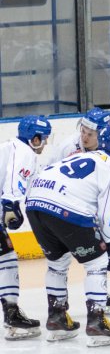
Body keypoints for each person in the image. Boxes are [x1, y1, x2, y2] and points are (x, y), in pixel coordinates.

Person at [25, 125, 110, 347]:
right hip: (64, 209)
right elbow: (107, 212)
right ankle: (96, 322)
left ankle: (57, 318)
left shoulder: (83, 157)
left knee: (57, 263)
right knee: (97, 263)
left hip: (35, 205)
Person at [52, 107, 110, 314]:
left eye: (90, 134)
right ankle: (59, 304)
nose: (84, 136)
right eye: (82, 130)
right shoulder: (67, 147)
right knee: (62, 259)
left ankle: (99, 294)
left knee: (99, 253)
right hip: (65, 208)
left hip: (87, 207)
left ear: (102, 134)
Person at [1, 115, 51, 341]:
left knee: (6, 257)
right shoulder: (24, 152)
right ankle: (12, 315)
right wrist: (11, 205)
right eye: (44, 138)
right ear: (35, 138)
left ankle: (11, 312)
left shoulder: (10, 147)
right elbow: (14, 179)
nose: (45, 143)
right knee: (7, 258)